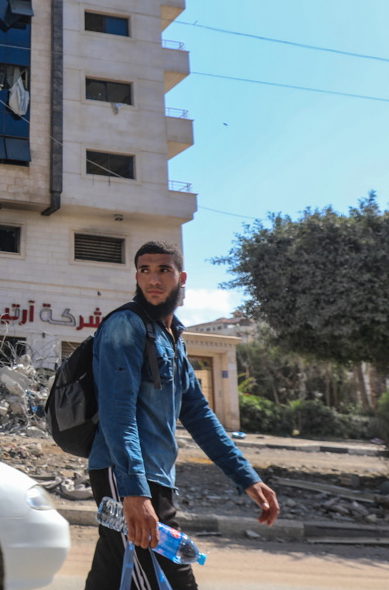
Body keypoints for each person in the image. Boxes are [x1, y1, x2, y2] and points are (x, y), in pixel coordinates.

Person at [84, 241, 279, 590]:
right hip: (126, 474)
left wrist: (246, 476)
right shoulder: (125, 326)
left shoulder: (172, 337)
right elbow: (117, 413)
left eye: (164, 270)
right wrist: (134, 491)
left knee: (111, 578)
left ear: (181, 278)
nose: (153, 279)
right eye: (144, 270)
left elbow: (199, 414)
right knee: (174, 581)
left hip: (155, 476)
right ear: (136, 276)